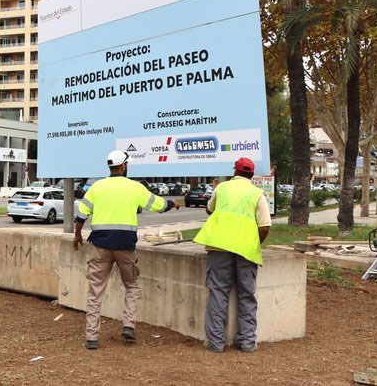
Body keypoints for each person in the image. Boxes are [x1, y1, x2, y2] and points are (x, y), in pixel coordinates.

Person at [73, 150, 178, 350]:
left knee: (95, 291)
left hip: (100, 246)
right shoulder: (134, 187)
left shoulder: (97, 187)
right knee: (132, 286)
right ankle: (128, 325)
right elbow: (159, 205)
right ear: (124, 166)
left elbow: (81, 215)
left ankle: (91, 338)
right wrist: (172, 203)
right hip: (126, 247)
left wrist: (77, 235)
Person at [193, 157, 271, 353]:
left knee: (218, 293)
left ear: (235, 171)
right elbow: (264, 226)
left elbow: (209, 209)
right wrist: (253, 244)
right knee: (247, 295)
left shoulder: (222, 188)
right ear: (252, 175)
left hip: (218, 248)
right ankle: (247, 342)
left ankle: (216, 343)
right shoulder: (258, 194)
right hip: (245, 251)